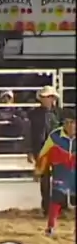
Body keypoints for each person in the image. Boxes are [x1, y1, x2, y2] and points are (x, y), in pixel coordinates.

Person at [34, 108, 75, 236]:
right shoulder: (55, 136)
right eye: (67, 122)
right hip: (61, 169)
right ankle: (51, 226)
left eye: (73, 122)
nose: (70, 126)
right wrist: (39, 168)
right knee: (57, 198)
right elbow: (44, 153)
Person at [25, 84, 64, 215]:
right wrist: (29, 150)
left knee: (59, 179)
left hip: (57, 148)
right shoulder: (33, 114)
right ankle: (47, 207)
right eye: (44, 97)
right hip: (41, 148)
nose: (46, 99)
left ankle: (59, 207)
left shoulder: (60, 114)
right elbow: (29, 133)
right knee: (45, 180)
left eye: (48, 97)